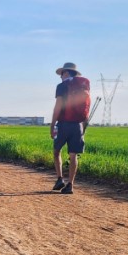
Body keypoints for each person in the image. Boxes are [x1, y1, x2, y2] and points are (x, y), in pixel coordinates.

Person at [50, 61, 91, 195]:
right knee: (73, 155)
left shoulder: (62, 86)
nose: (60, 77)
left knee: (56, 151)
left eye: (61, 74)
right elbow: (86, 110)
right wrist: (83, 128)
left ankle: (60, 178)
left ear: (66, 73)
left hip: (63, 124)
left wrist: (52, 125)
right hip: (78, 125)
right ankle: (70, 185)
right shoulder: (83, 88)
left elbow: (58, 106)